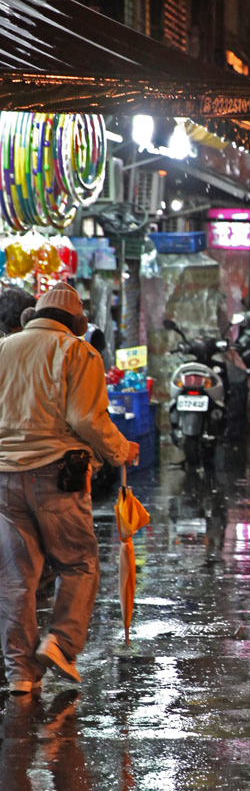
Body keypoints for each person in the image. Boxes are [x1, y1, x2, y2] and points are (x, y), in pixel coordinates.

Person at [0, 283, 140, 693]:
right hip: (57, 475)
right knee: (78, 563)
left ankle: (20, 674)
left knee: (16, 579)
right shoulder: (78, 353)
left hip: (4, 478)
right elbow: (87, 419)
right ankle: (60, 642)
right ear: (76, 323)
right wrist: (119, 450)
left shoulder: (4, 349)